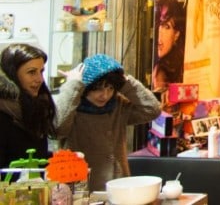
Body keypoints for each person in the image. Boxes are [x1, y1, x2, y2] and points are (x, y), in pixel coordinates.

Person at [53, 54, 162, 191]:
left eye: (110, 88)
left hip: (118, 187)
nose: (104, 95)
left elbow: (152, 109)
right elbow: (57, 129)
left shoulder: (118, 105)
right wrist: (73, 85)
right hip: (80, 189)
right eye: (98, 88)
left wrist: (127, 83)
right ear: (86, 87)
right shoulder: (72, 107)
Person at [0, 43, 56, 169]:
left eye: (41, 71)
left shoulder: (39, 107)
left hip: (34, 186)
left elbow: (35, 155)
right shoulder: (4, 112)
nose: (39, 79)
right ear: (12, 74)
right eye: (31, 72)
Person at [152, 0, 185, 92]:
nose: (160, 33)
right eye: (159, 25)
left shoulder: (161, 71)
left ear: (176, 35)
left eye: (166, 26)